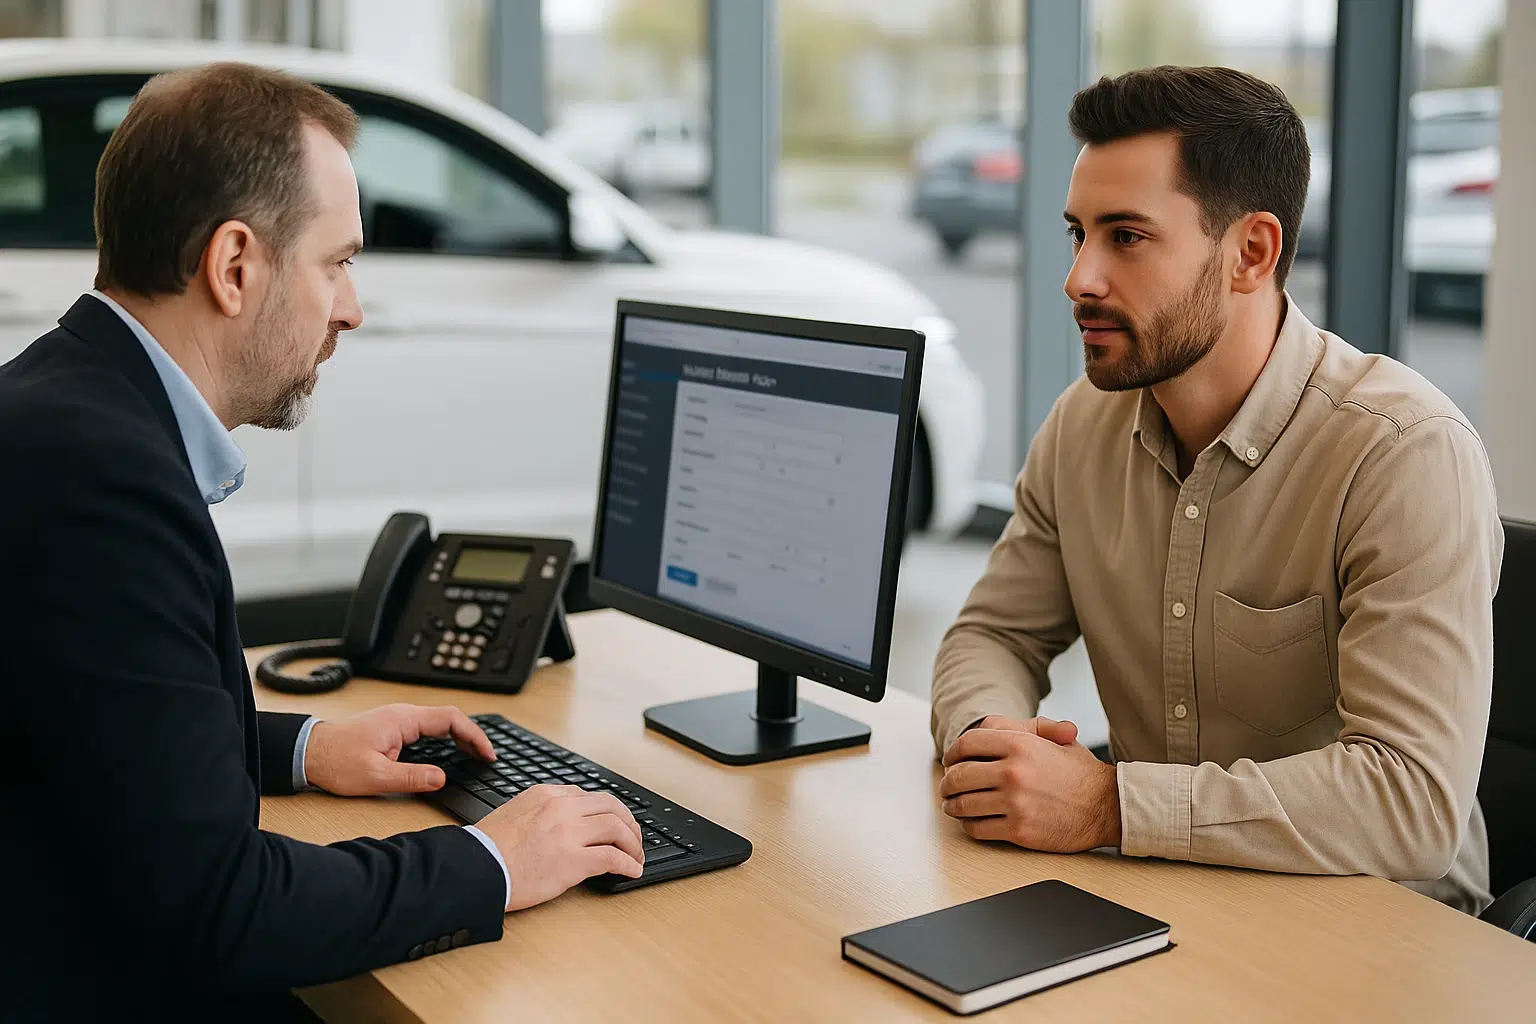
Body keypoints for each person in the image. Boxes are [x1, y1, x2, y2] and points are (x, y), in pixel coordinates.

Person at [0, 63, 645, 1021]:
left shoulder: (57, 400)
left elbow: (106, 726)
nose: (352, 307)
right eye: (337, 263)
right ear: (234, 266)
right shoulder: (108, 479)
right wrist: (495, 860)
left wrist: (308, 749)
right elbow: (223, 909)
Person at [930, 65, 1501, 915]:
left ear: (1251, 253)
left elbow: (1410, 801)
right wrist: (992, 743)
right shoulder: (1084, 424)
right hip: (1158, 894)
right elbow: (993, 635)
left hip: (1380, 932)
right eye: (1076, 233)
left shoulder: (1404, 454)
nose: (1079, 278)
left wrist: (1106, 805)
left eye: (1125, 236)